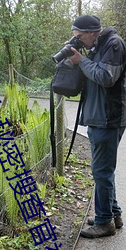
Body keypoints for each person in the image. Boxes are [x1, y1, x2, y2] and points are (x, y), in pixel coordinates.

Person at [68, 15, 126, 238]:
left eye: (80, 37)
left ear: (92, 32)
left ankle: (104, 223)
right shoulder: (97, 46)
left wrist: (81, 61)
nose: (79, 41)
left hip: (108, 118)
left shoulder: (114, 44)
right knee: (103, 171)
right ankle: (113, 214)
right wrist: (78, 59)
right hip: (98, 117)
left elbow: (105, 77)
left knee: (101, 171)